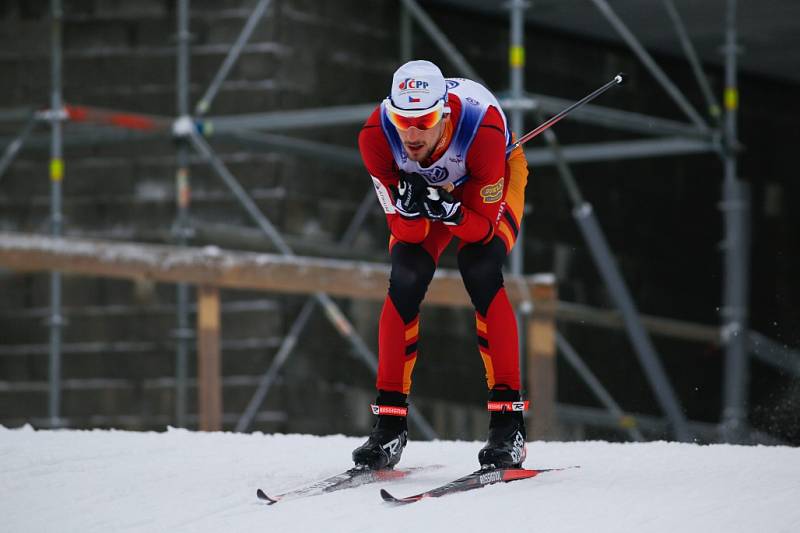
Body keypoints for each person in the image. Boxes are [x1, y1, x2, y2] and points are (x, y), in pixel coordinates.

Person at [353, 60, 530, 470]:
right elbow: (408, 234)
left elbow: (482, 230)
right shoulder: (376, 138)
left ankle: (509, 426)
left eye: (425, 120)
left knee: (480, 267)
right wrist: (413, 206)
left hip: (484, 182)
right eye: (402, 120)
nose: (412, 134)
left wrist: (450, 210)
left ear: (445, 113)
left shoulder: (481, 129)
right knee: (407, 275)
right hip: (435, 195)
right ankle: (389, 427)